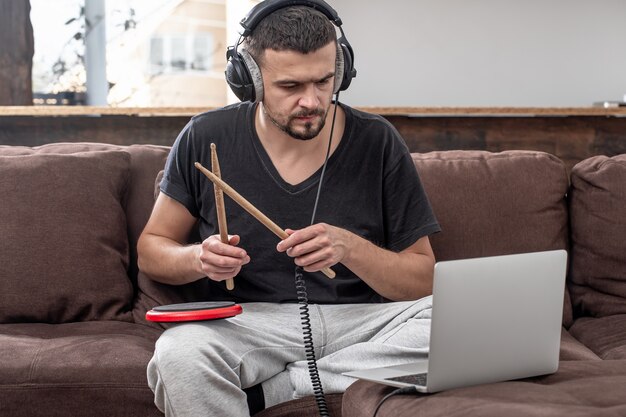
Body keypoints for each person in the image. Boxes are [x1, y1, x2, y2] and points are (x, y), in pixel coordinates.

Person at [138, 1, 441, 416]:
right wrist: (198, 257)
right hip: (250, 322)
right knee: (178, 354)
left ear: (342, 70)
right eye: (290, 86)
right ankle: (333, 377)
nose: (312, 101)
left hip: (366, 322)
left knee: (469, 324)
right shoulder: (205, 134)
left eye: (324, 81)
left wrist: (351, 248)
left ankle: (288, 387)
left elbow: (424, 278)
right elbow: (152, 249)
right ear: (251, 80)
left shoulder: (378, 141)